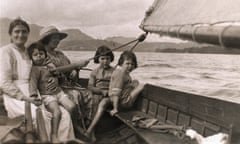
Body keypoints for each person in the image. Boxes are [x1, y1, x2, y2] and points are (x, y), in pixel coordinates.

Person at [0, 18, 75, 142]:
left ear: (28, 34)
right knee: (40, 116)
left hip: (34, 89)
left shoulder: (29, 51)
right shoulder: (6, 52)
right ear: (10, 34)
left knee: (65, 114)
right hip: (16, 95)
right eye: (17, 32)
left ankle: (63, 141)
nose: (20, 35)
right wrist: (25, 98)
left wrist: (52, 79)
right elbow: (4, 82)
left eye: (24, 32)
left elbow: (43, 69)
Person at [39, 26, 90, 135]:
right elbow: (53, 71)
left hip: (68, 84)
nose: (57, 41)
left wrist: (74, 70)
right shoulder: (42, 55)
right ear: (46, 39)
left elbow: (69, 67)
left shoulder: (60, 54)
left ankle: (87, 125)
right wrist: (76, 65)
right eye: (54, 38)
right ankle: (77, 128)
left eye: (58, 38)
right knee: (76, 95)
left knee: (89, 95)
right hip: (55, 87)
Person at [84, 51, 144, 141]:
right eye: (127, 63)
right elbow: (116, 92)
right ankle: (90, 130)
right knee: (141, 85)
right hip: (124, 102)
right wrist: (115, 108)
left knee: (135, 82)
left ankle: (90, 130)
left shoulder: (120, 72)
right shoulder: (120, 73)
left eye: (132, 64)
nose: (130, 66)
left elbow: (116, 91)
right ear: (121, 63)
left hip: (115, 98)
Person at [27, 42, 77, 143]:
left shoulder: (50, 65)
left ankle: (73, 130)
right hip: (48, 95)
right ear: (31, 58)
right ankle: (54, 135)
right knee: (57, 112)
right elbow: (33, 83)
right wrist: (34, 96)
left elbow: (59, 76)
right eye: (35, 55)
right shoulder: (35, 70)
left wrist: (56, 73)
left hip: (58, 92)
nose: (39, 56)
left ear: (45, 55)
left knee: (72, 106)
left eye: (41, 53)